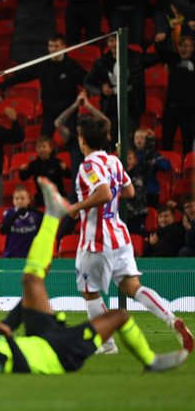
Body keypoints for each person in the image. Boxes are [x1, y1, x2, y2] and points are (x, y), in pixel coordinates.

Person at [0, 177, 190, 373]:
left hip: (39, 335)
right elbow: (15, 367)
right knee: (120, 316)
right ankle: (152, 361)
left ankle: (53, 214)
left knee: (31, 281)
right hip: (57, 352)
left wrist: (13, 319)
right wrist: (6, 336)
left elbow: (7, 327)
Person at [67, 117, 193, 355]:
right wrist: (111, 195)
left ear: (82, 139)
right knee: (133, 285)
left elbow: (104, 193)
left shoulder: (88, 167)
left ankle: (108, 344)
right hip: (119, 235)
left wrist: (77, 207)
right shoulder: (113, 161)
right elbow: (130, 190)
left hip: (97, 239)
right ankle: (170, 319)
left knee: (89, 291)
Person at [0, 34, 87, 137]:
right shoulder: (42, 65)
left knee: (72, 145)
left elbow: (87, 81)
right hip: (49, 114)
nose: (53, 49)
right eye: (51, 46)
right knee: (44, 142)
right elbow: (21, 76)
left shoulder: (72, 66)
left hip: (68, 114)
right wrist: (2, 86)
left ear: (63, 46)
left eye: (56, 46)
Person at [155, 34, 195, 155]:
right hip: (171, 108)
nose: (183, 49)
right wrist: (159, 42)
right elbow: (162, 54)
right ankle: (166, 171)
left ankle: (188, 172)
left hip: (190, 110)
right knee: (167, 143)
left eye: (187, 46)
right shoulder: (173, 59)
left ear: (193, 48)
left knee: (188, 145)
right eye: (181, 46)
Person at [20, 136, 71, 207]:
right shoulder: (34, 164)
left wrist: (65, 169)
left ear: (50, 149)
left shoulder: (57, 162)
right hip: (41, 197)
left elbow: (69, 176)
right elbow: (23, 178)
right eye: (39, 147)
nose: (41, 149)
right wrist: (22, 171)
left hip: (57, 195)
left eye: (44, 147)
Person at [0, 184, 42, 258]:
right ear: (13, 200)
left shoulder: (34, 215)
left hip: (30, 257)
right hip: (11, 257)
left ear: (28, 200)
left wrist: (34, 210)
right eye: (16, 198)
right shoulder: (9, 214)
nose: (19, 201)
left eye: (22, 198)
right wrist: (16, 215)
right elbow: (2, 231)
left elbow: (45, 225)